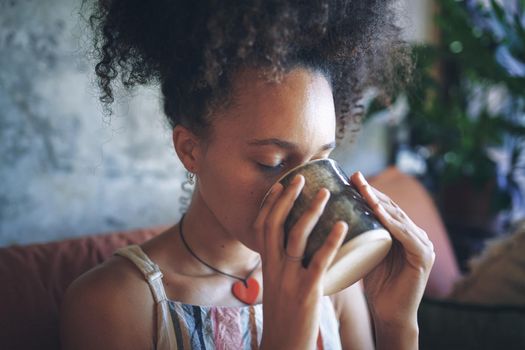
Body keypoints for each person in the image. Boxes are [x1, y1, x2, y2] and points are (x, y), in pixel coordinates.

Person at [61, 1, 435, 349]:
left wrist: (397, 324)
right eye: (272, 162)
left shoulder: (332, 281)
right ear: (191, 150)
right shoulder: (115, 305)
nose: (308, 190)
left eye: (322, 159)